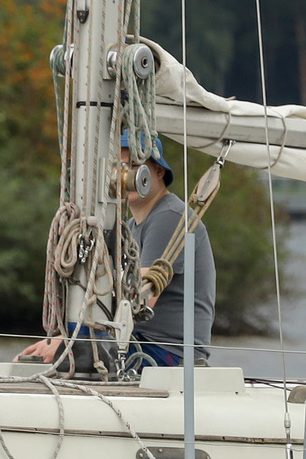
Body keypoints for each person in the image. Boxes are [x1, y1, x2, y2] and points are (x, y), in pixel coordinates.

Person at [18, 137, 215, 369]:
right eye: (117, 167)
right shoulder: (130, 228)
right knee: (43, 357)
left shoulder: (169, 216)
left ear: (158, 172)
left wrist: (71, 342)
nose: (124, 175)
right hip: (135, 342)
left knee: (65, 357)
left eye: (133, 165)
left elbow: (139, 302)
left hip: (165, 352)